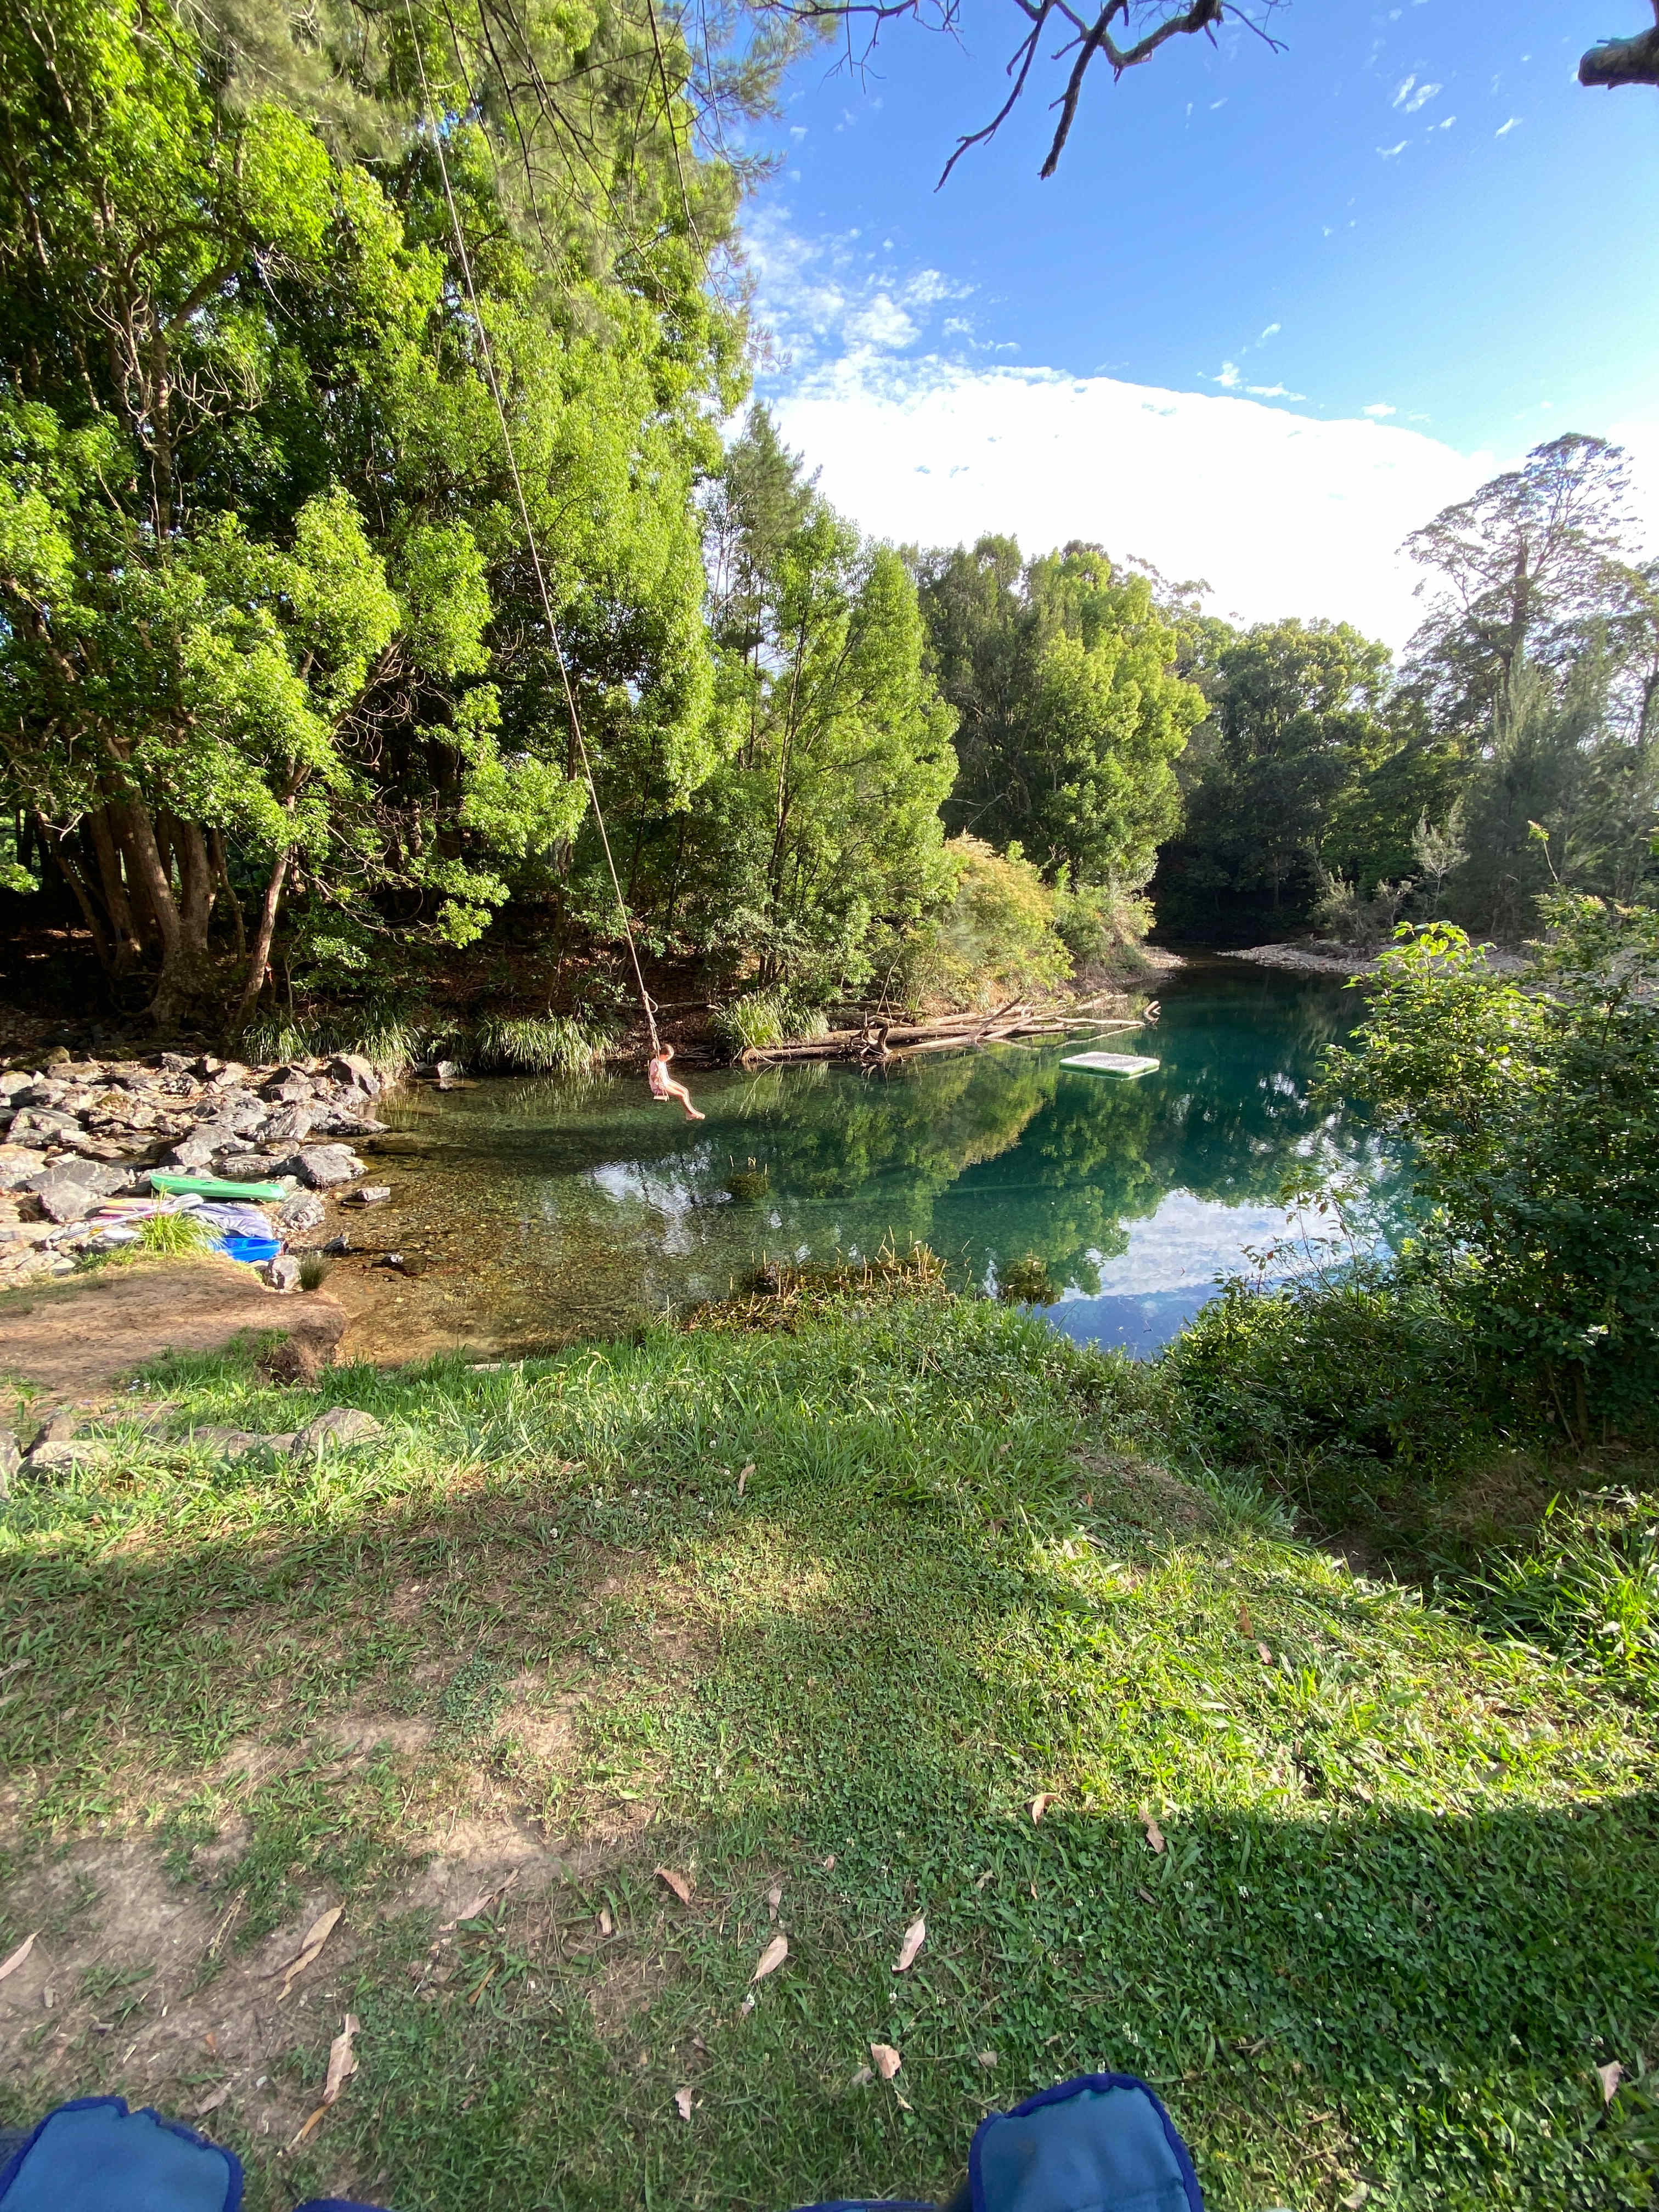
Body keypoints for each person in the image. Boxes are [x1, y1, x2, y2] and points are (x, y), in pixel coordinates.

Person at [647, 1041, 704, 1121]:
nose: (668, 1060)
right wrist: (658, 1071)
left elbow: (666, 1077)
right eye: (668, 1058)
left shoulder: (662, 1061)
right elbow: (654, 1080)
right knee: (681, 1095)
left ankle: (691, 1112)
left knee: (685, 1091)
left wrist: (671, 1083)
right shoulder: (655, 1063)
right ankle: (691, 1114)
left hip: (666, 1082)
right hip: (658, 1087)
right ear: (665, 1055)